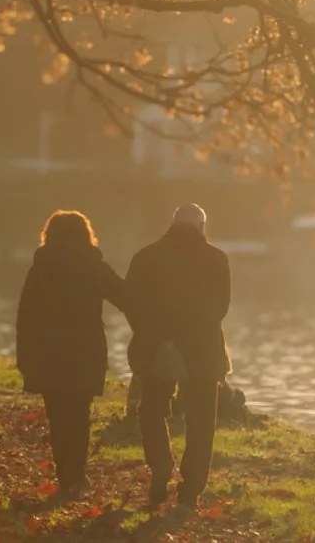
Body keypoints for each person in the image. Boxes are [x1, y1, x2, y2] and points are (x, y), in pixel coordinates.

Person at [125, 203, 231, 508]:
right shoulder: (216, 259)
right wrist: (191, 332)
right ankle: (191, 488)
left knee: (152, 411)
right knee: (201, 421)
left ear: (173, 223)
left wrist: (153, 334)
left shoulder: (146, 257)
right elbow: (220, 308)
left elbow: (131, 303)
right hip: (203, 351)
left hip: (157, 348)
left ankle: (160, 464)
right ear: (201, 226)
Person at [15, 210, 126, 500]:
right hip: (85, 351)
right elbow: (125, 298)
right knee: (79, 414)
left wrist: (24, 358)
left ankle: (66, 477)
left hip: (48, 352)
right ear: (85, 235)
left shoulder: (40, 268)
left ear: (49, 235)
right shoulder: (95, 267)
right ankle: (77, 476)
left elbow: (25, 316)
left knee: (58, 415)